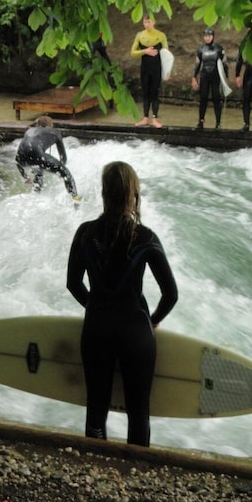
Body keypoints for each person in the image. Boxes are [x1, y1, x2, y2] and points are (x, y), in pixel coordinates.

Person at [66, 161, 178, 447]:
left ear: (104, 192)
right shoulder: (145, 237)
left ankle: (95, 467)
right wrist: (151, 320)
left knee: (96, 411)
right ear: (133, 195)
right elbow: (170, 294)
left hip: (97, 329)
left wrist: (96, 307)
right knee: (138, 412)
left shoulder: (85, 233)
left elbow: (73, 284)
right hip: (135, 333)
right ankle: (136, 473)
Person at [15, 115, 79, 200]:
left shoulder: (29, 131)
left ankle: (35, 196)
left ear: (37, 125)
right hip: (37, 154)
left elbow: (18, 159)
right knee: (66, 174)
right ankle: (75, 199)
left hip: (21, 158)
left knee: (39, 170)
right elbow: (63, 156)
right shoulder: (55, 132)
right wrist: (61, 171)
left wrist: (24, 176)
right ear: (51, 125)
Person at [130, 14, 169, 129]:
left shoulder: (161, 36)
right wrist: (145, 51)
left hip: (156, 69)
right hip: (145, 68)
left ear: (154, 22)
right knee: (145, 93)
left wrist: (167, 72)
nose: (147, 24)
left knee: (154, 93)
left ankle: (155, 119)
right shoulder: (140, 35)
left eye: (149, 22)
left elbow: (166, 55)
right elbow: (132, 53)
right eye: (145, 22)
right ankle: (145, 118)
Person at [191, 27, 227, 131]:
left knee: (216, 98)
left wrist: (226, 78)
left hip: (216, 77)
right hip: (204, 76)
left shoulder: (219, 48)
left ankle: (218, 123)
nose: (207, 38)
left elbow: (225, 64)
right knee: (203, 98)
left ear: (213, 37)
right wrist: (194, 77)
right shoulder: (201, 49)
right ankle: (201, 121)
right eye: (205, 36)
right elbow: (197, 64)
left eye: (209, 36)